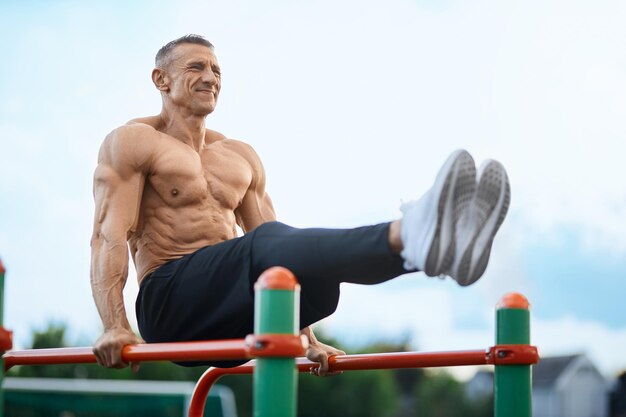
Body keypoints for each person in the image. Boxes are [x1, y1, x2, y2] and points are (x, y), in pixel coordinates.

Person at [90, 34, 510, 376]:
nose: (210, 76)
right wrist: (115, 326)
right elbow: (107, 235)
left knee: (320, 282)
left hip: (238, 311)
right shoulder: (133, 142)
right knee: (269, 242)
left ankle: (430, 251)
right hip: (172, 307)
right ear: (161, 80)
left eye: (217, 69)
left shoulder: (239, 156)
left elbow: (279, 251)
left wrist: (307, 338)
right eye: (196, 66)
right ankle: (410, 232)